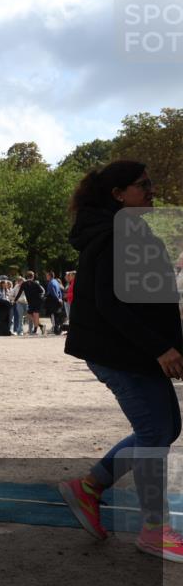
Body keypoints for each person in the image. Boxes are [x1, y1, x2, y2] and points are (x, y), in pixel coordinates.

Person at [58, 160, 183, 563]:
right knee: (154, 433)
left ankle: (90, 487)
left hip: (128, 349)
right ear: (117, 195)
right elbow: (111, 303)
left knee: (164, 428)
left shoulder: (123, 230)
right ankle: (153, 530)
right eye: (141, 185)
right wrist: (160, 348)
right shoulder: (116, 235)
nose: (151, 190)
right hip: (121, 351)